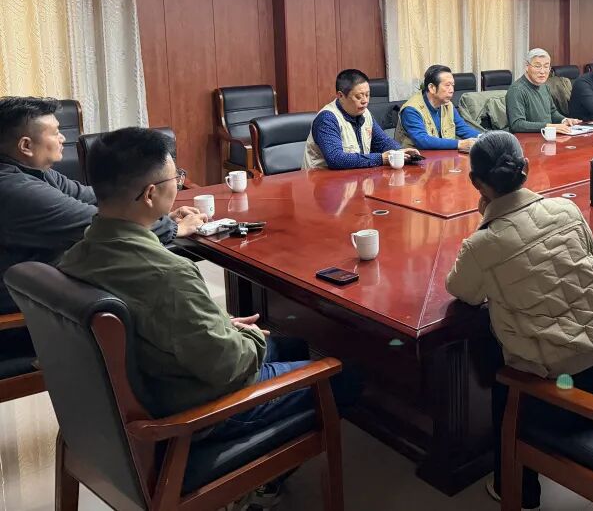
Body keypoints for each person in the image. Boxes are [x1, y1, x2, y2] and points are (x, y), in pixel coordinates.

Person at [57, 128, 359, 435]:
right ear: (150, 194)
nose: (178, 184)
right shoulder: (169, 274)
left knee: (293, 346)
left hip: (157, 378)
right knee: (346, 376)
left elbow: (170, 323)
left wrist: (221, 325)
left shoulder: (76, 255)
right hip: (198, 408)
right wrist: (249, 336)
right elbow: (228, 365)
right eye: (175, 178)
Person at [445, 132, 593, 511]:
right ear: (525, 168)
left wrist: (487, 220)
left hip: (565, 401)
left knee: (504, 374)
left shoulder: (482, 245)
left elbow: (461, 290)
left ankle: (516, 488)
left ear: (476, 183)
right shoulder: (567, 209)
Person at [0, 96, 205, 315]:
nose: (62, 138)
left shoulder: (36, 172)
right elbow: (105, 226)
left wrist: (158, 216)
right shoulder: (13, 189)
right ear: (26, 145)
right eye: (55, 132)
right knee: (156, 275)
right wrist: (174, 228)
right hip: (30, 303)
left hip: (48, 283)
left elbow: (100, 197)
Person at [304, 69, 417, 169]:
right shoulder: (327, 119)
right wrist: (380, 159)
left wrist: (400, 151)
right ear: (340, 96)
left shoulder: (365, 113)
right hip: (321, 181)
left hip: (353, 178)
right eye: (358, 96)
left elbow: (382, 142)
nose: (365, 101)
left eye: (367, 95)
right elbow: (336, 159)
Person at [397, 65, 481, 151]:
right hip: (418, 157)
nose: (452, 90)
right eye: (447, 85)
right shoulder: (411, 109)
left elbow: (462, 128)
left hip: (443, 156)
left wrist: (483, 138)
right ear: (432, 88)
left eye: (452, 85)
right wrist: (459, 144)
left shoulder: (448, 105)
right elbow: (422, 140)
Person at [505, 48, 582, 134]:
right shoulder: (516, 90)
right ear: (527, 67)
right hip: (527, 140)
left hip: (547, 136)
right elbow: (517, 124)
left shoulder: (544, 86)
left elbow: (552, 112)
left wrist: (564, 120)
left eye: (546, 66)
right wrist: (549, 127)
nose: (542, 71)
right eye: (538, 66)